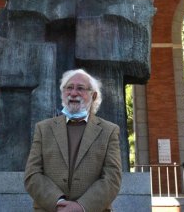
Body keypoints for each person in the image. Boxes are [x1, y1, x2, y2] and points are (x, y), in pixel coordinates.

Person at [24, 69, 122, 212]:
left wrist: (81, 206)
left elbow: (112, 178)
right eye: (69, 88)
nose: (73, 93)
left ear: (93, 95)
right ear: (63, 93)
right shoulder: (43, 128)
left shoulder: (109, 131)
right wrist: (58, 202)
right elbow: (32, 174)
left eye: (80, 88)